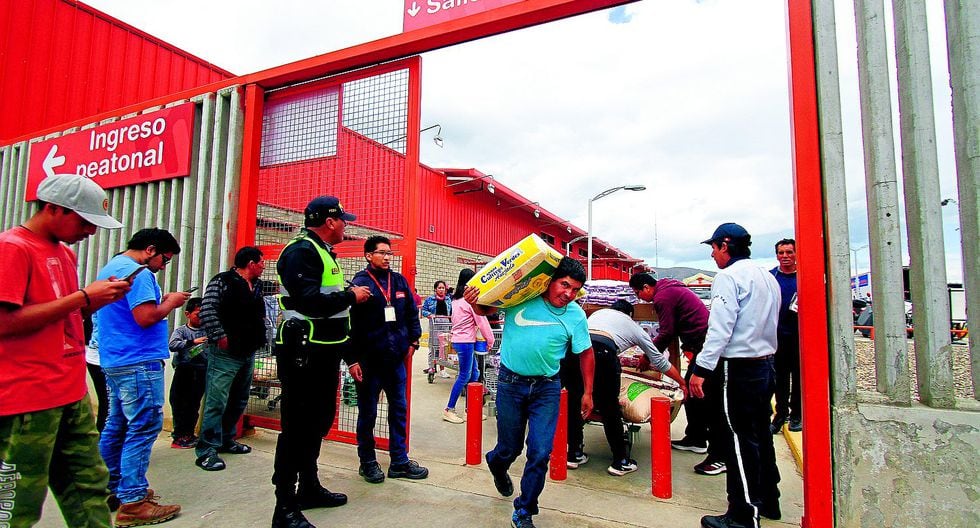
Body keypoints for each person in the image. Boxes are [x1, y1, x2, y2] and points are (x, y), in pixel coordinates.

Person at [0, 174, 130, 528]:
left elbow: (63, 313)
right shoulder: (13, 247)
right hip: (27, 396)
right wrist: (84, 298)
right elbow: (6, 322)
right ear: (53, 208)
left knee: (90, 485)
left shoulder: (65, 254)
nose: (90, 231)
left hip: (69, 391)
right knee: (18, 500)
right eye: (85, 221)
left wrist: (94, 301)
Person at [465, 257, 595, 528]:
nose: (568, 294)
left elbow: (586, 353)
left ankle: (525, 509)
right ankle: (497, 463)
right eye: (564, 285)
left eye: (574, 290)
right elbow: (485, 308)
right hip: (511, 384)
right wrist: (472, 299)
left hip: (547, 388)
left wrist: (588, 392)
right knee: (509, 448)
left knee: (540, 451)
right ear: (551, 281)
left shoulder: (576, 315)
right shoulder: (522, 297)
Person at [271, 196, 371, 528]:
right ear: (330, 222)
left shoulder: (323, 252)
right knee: (297, 429)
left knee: (317, 424)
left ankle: (309, 488)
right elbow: (310, 301)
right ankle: (284, 506)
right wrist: (351, 295)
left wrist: (350, 352)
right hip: (303, 354)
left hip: (324, 351)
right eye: (344, 220)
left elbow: (332, 309)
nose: (347, 225)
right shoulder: (300, 251)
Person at [689, 223, 782, 528]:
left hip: (738, 368)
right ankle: (769, 500)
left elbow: (720, 329)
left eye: (714, 248)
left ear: (725, 246)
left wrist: (702, 369)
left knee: (738, 441)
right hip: (765, 364)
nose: (713, 255)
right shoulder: (768, 278)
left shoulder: (728, 278)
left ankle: (742, 515)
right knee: (760, 435)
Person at [97, 228, 190, 526]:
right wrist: (172, 302)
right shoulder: (139, 272)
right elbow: (146, 316)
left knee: (117, 425)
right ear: (150, 250)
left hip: (115, 359)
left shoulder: (112, 266)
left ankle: (110, 488)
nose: (163, 266)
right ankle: (134, 501)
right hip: (138, 361)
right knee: (144, 426)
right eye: (164, 259)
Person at [562, 300, 686, 476]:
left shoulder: (597, 315)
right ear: (630, 315)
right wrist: (681, 381)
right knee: (609, 408)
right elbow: (659, 361)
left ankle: (574, 455)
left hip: (573, 353)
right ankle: (620, 461)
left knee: (574, 403)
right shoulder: (632, 325)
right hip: (602, 353)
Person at [347, 236, 428, 483]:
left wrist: (414, 341)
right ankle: (368, 462)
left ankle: (399, 462)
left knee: (399, 410)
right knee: (368, 413)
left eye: (389, 253)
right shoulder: (360, 285)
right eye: (381, 253)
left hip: (395, 362)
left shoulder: (399, 281)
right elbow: (348, 326)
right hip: (369, 363)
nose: (387, 257)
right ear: (368, 256)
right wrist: (352, 360)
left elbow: (412, 315)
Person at [629, 272, 722, 476]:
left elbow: (667, 332)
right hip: (700, 343)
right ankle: (696, 437)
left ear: (646, 287)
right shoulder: (669, 288)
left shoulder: (663, 297)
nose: (639, 298)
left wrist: (648, 356)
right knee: (693, 390)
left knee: (704, 395)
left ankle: (718, 453)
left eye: (638, 293)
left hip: (704, 345)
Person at [195, 246, 271, 471]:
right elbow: (207, 309)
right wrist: (220, 336)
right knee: (216, 401)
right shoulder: (223, 281)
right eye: (261, 262)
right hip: (226, 353)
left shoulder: (256, 286)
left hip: (248, 352)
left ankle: (227, 439)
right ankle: (207, 449)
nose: (264, 266)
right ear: (250, 263)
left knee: (238, 399)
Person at [442, 268, 495, 424]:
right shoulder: (470, 302)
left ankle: (470, 410)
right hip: (465, 341)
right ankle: (449, 409)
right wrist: (490, 340)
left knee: (474, 373)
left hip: (461, 340)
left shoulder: (456, 301)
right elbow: (482, 322)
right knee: (465, 375)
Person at [769, 238, 801, 434]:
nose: (785, 257)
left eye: (789, 252)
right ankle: (780, 415)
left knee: (798, 378)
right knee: (779, 380)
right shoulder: (771, 277)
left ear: (797, 254)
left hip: (799, 338)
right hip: (777, 337)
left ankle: (797, 415)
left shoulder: (804, 276)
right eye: (781, 253)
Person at [168, 297, 208, 449]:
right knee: (179, 403)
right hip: (184, 370)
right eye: (198, 314)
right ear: (188, 314)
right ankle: (178, 436)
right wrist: (192, 342)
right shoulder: (182, 331)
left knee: (193, 404)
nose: (201, 318)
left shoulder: (207, 330)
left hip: (201, 371)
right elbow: (172, 345)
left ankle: (189, 434)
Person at [421, 280, 452, 378]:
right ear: (435, 289)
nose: (441, 290)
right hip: (434, 324)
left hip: (445, 323)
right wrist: (430, 315)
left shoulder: (448, 299)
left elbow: (451, 311)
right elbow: (423, 310)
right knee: (433, 346)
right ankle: (431, 367)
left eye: (443, 288)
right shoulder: (430, 299)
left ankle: (442, 369)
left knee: (444, 347)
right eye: (439, 288)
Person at [85, 312, 110, 432]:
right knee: (109, 406)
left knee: (108, 405)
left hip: (98, 356)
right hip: (102, 357)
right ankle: (102, 445)